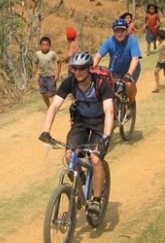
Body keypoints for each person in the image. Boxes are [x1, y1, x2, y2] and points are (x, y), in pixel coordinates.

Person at [39, 51, 114, 215]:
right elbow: (54, 106)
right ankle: (81, 183)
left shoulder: (101, 84)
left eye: (81, 68)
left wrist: (106, 136)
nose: (78, 72)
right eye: (74, 68)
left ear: (89, 68)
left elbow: (109, 111)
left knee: (95, 159)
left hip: (100, 123)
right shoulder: (70, 82)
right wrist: (46, 131)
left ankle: (96, 199)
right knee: (69, 156)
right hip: (80, 122)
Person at [93, 18, 142, 107]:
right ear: (113, 31)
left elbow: (135, 58)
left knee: (129, 83)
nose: (119, 33)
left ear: (126, 31)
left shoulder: (132, 40)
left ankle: (131, 103)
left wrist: (129, 74)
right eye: (116, 31)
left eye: (122, 30)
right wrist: (91, 70)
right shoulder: (109, 41)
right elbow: (98, 56)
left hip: (131, 69)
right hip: (115, 71)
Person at [32, 36, 61, 108]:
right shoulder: (37, 54)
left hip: (51, 76)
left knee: (51, 94)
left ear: (50, 45)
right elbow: (35, 62)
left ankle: (58, 99)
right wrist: (34, 68)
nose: (45, 47)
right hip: (42, 76)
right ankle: (49, 107)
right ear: (40, 45)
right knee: (43, 93)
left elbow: (59, 62)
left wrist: (57, 73)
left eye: (46, 45)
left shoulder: (52, 54)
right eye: (43, 45)